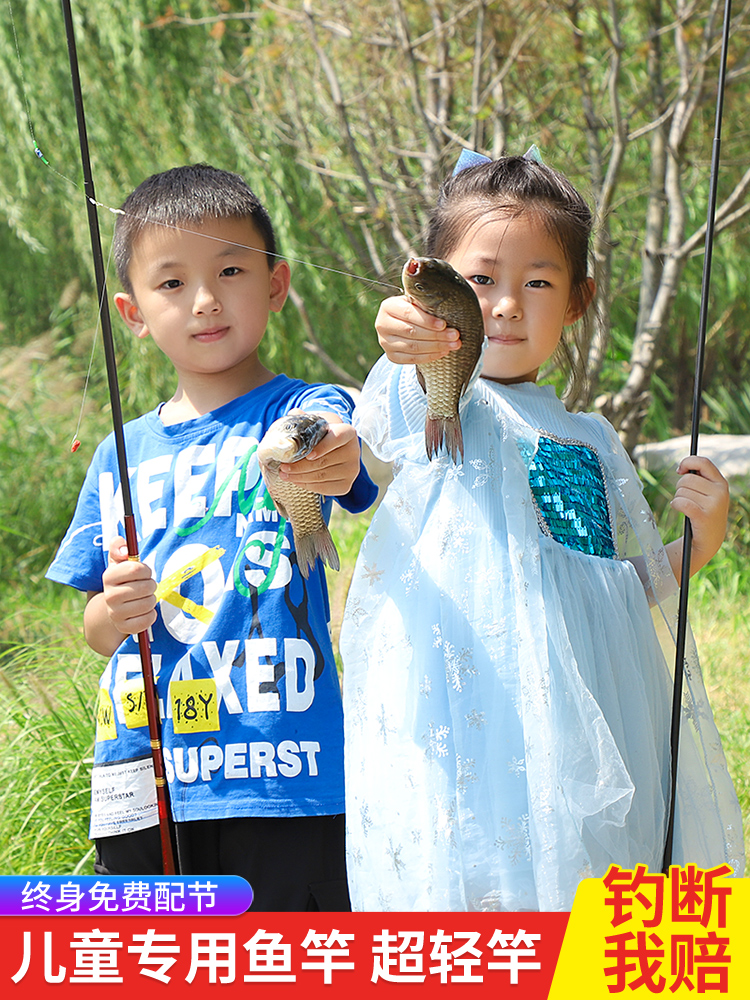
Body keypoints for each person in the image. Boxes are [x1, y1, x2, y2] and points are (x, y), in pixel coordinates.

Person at [340, 150, 745, 912]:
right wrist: (408, 337)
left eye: (538, 283)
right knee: (478, 891)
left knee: (584, 893)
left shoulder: (590, 439)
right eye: (479, 281)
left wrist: (701, 541)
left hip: (585, 735)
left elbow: (612, 591)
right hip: (468, 729)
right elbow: (396, 402)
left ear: (579, 299)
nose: (504, 306)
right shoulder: (446, 403)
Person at [47, 163, 377, 910]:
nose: (204, 300)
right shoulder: (118, 454)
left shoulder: (302, 406)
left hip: (286, 770)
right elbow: (95, 630)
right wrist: (114, 610)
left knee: (291, 959)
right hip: (142, 772)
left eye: (230, 270)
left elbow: (338, 436)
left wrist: (330, 449)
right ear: (132, 313)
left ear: (276, 284)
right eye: (172, 283)